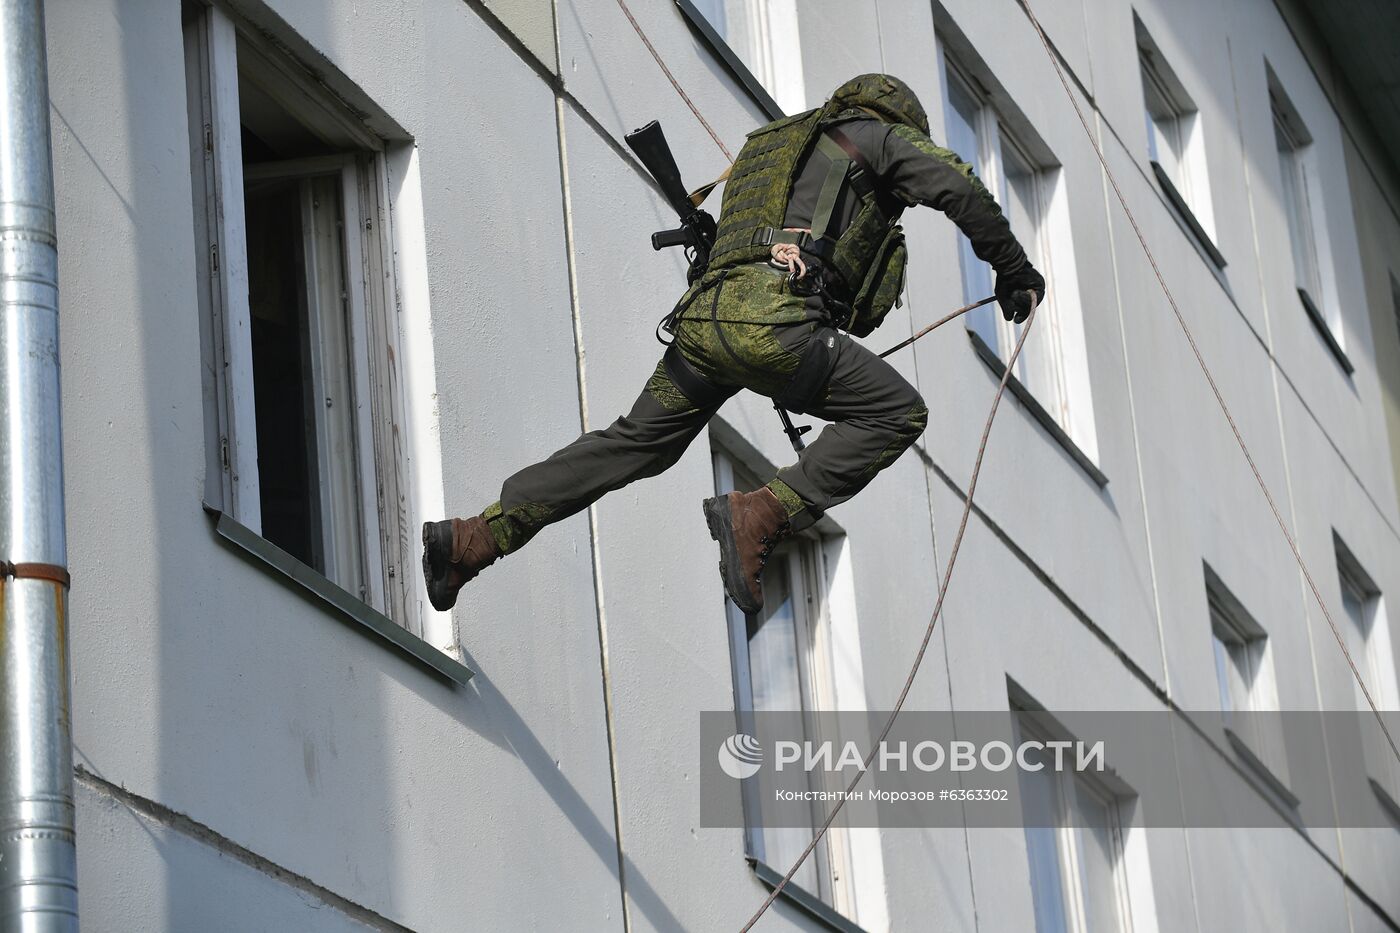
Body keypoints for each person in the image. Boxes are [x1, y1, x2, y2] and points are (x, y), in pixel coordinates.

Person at [421, 73, 1043, 616]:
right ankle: (759, 515)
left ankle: (474, 539)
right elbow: (959, 186)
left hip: (705, 327)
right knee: (897, 412)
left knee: (635, 443)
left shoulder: (774, 149)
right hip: (778, 326)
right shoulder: (876, 137)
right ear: (893, 120)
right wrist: (1012, 268)